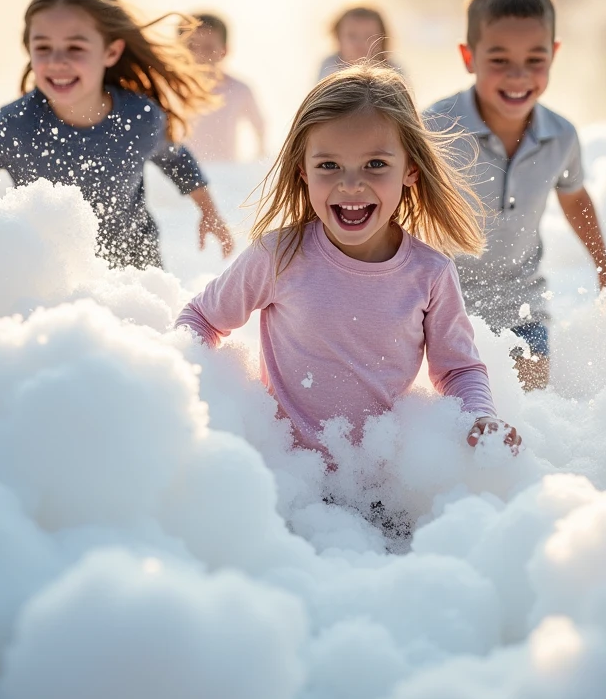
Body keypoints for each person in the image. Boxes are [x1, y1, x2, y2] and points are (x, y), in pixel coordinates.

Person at [175, 65, 519, 456]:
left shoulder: (430, 273)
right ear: (302, 171)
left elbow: (458, 369)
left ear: (410, 169)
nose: (351, 184)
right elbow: (201, 319)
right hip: (288, 472)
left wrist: (480, 416)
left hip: (379, 477)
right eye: (328, 165)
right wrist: (184, 388)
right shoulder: (279, 255)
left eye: (375, 164)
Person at [0, 0, 234, 269]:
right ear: (29, 50)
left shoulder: (139, 118)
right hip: (53, 278)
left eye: (75, 47)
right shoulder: (17, 125)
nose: (57, 61)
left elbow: (177, 160)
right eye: (43, 47)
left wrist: (210, 212)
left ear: (111, 51)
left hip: (136, 277)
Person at [425, 0, 606, 390]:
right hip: (435, 301)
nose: (518, 76)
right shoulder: (434, 129)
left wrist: (605, 268)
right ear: (468, 56)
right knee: (453, 411)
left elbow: (575, 199)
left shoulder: (561, 136)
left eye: (535, 60)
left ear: (554, 55)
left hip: (520, 303)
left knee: (530, 410)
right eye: (499, 60)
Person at [183, 12, 266, 162]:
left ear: (224, 51)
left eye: (208, 48)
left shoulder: (239, 90)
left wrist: (258, 162)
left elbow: (259, 128)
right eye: (191, 47)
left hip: (225, 173)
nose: (199, 55)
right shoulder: (171, 90)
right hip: (181, 176)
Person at [317, 5, 407, 81]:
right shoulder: (328, 68)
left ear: (382, 39)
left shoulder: (394, 72)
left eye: (369, 36)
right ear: (338, 38)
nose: (360, 43)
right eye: (352, 36)